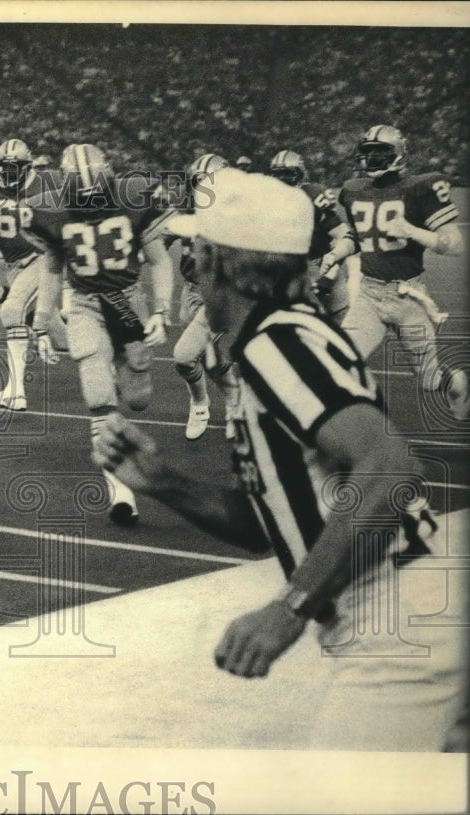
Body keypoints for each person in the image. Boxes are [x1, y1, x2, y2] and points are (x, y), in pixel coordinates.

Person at [93, 168, 468, 751]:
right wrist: (161, 481)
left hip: (396, 610)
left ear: (226, 265)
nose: (190, 266)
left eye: (198, 252)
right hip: (406, 604)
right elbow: (267, 523)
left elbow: (391, 472)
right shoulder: (279, 339)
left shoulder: (278, 342)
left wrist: (289, 608)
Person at [28, 144, 174, 524]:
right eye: (82, 199)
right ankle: (121, 492)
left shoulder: (133, 197)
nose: (90, 207)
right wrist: (41, 322)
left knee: (138, 398)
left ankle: (121, 376)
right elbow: (52, 268)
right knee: (97, 392)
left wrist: (161, 309)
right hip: (85, 302)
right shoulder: (51, 209)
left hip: (127, 301)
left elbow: (159, 259)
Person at [319, 125, 468, 418]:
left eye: (380, 153)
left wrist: (413, 231)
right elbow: (358, 235)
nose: (372, 159)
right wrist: (336, 254)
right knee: (341, 361)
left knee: (430, 379)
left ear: (398, 155)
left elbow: (456, 245)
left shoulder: (419, 188)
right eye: (368, 153)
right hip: (368, 296)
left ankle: (457, 381)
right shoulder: (353, 189)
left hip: (407, 297)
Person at [0, 138, 67, 411]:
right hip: (13, 267)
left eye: (13, 168)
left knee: (11, 310)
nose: (7, 174)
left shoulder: (49, 182)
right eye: (3, 168)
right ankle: (105, 357)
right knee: (62, 336)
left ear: (27, 167)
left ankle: (15, 392)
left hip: (42, 259)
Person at [167, 153, 241, 441]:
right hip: (191, 291)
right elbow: (161, 235)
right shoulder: (187, 210)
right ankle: (234, 397)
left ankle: (200, 404)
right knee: (209, 357)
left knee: (184, 357)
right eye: (199, 183)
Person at [268, 149, 352, 323]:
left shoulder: (312, 196)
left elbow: (343, 235)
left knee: (340, 320)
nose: (282, 180)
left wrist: (329, 276)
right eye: (278, 175)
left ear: (300, 175)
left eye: (288, 174)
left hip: (324, 263)